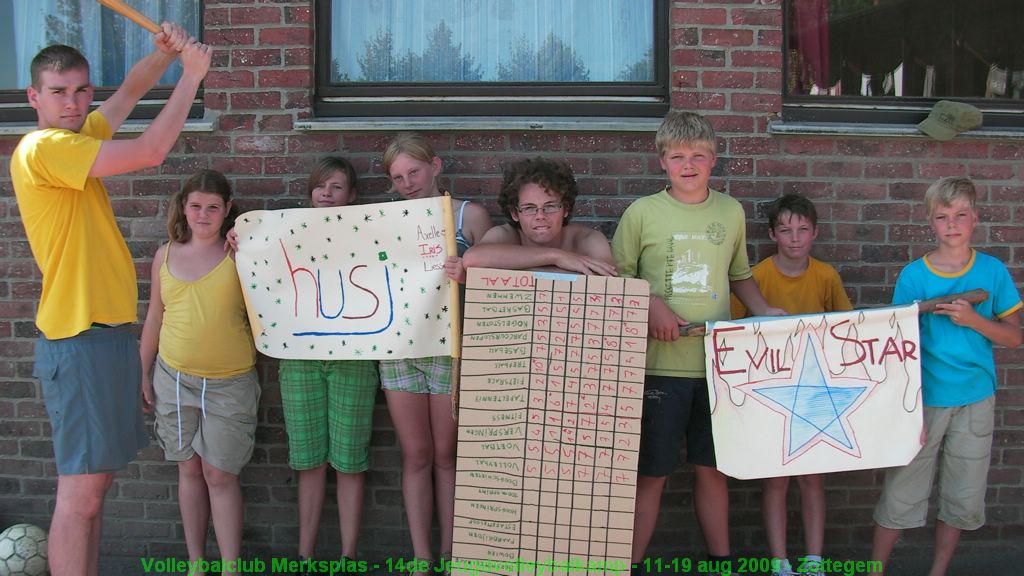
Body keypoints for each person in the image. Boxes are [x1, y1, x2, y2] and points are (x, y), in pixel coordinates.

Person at [10, 25, 210, 576]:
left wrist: (162, 56)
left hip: (105, 338)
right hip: (79, 340)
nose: (73, 103)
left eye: (81, 90)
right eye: (58, 92)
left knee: (93, 497)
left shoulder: (75, 139)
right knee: (79, 500)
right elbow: (151, 150)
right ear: (33, 97)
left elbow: (126, 95)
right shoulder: (45, 148)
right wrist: (191, 77)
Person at [610, 110, 784, 574]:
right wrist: (652, 305)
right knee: (652, 473)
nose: (688, 165)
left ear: (714, 158)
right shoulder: (642, 213)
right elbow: (616, 278)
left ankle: (720, 562)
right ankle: (628, 565)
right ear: (662, 161)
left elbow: (739, 274)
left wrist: (763, 309)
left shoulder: (730, 211)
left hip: (717, 366)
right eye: (678, 157)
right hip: (659, 367)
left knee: (712, 469)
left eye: (698, 156)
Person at [869, 177, 1022, 576]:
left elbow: (1014, 337)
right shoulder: (914, 277)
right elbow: (898, 349)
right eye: (942, 217)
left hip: (975, 399)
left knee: (961, 497)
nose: (951, 225)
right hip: (923, 400)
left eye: (960, 215)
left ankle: (938, 572)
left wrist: (974, 320)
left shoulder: (992, 271)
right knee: (901, 493)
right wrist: (908, 410)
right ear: (929, 221)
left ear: (976, 218)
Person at [381, 133, 491, 574]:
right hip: (399, 350)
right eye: (398, 177)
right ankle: (421, 557)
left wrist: (468, 273)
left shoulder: (468, 215)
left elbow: (501, 280)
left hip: (451, 350)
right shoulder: (382, 219)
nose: (408, 183)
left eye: (414, 171)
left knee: (447, 455)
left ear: (436, 166)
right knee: (416, 455)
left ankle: (450, 554)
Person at [139, 170, 258, 576]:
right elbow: (155, 317)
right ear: (183, 207)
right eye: (195, 206)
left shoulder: (239, 255)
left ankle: (230, 567)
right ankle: (196, 564)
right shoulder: (165, 255)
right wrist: (142, 372)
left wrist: (251, 247)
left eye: (212, 207)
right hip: (174, 378)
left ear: (227, 209)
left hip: (230, 381)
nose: (203, 214)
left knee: (219, 473)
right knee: (188, 468)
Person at [731, 194, 852, 576]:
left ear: (815, 232)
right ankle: (779, 561)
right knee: (776, 479)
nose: (795, 238)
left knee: (812, 478)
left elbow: (848, 328)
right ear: (772, 234)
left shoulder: (826, 276)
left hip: (817, 392)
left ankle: (814, 559)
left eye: (803, 229)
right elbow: (732, 330)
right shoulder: (757, 276)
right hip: (770, 392)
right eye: (785, 230)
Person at [277, 158, 378, 571]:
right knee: (309, 462)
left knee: (350, 463)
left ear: (351, 195)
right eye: (320, 186)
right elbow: (259, 262)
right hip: (300, 359)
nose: (327, 193)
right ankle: (306, 556)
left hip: (353, 359)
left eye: (337, 187)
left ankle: (348, 557)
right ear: (310, 192)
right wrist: (240, 239)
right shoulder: (286, 232)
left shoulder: (371, 233)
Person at [446, 156, 616, 280]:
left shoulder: (588, 239)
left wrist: (501, 271)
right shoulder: (507, 234)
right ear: (515, 213)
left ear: (565, 209)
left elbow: (609, 281)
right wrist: (558, 257)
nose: (540, 216)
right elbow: (473, 258)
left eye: (550, 206)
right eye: (529, 208)